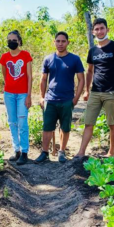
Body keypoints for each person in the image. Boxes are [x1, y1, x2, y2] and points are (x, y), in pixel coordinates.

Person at [74, 18, 114, 159]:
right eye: (96, 29)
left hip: (112, 92)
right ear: (93, 32)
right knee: (88, 123)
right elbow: (90, 71)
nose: (99, 31)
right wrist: (86, 90)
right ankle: (81, 152)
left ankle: (111, 152)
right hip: (96, 92)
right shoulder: (92, 51)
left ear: (107, 29)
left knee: (112, 124)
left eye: (102, 28)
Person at [34, 31, 85, 163]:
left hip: (67, 100)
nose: (60, 44)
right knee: (47, 127)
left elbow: (81, 80)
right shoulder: (48, 59)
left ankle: (61, 152)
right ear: (54, 42)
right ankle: (45, 152)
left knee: (65, 127)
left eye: (63, 41)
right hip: (50, 100)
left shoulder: (75, 59)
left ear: (68, 42)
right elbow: (43, 79)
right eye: (58, 41)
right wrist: (41, 97)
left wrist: (76, 98)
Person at [0, 30, 33, 165]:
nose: (11, 42)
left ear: (19, 41)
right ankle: (16, 150)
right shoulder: (4, 57)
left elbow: (30, 76)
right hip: (9, 94)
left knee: (22, 122)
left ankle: (24, 152)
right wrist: (9, 86)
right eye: (9, 40)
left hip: (23, 94)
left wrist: (29, 95)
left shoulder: (26, 55)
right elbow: (5, 75)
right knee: (12, 122)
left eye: (14, 40)